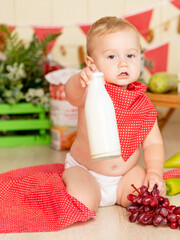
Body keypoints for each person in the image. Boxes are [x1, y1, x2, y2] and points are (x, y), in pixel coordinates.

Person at [62, 16, 165, 213]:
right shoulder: (92, 91)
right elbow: (72, 95)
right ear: (92, 63)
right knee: (83, 202)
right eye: (112, 57)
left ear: (140, 58)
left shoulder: (142, 103)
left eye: (130, 56)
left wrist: (154, 172)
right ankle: (81, 190)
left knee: (146, 198)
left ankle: (126, 192)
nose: (123, 64)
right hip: (86, 171)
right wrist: (80, 79)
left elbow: (153, 143)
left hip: (124, 176)